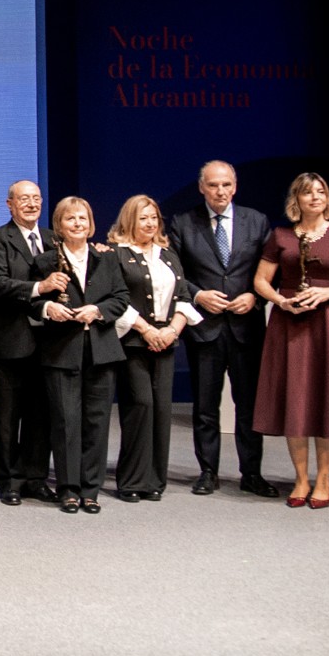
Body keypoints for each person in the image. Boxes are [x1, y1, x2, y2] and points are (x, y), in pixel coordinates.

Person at [250, 172, 329, 509]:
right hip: (290, 323)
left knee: (325, 397)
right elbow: (260, 280)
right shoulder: (281, 236)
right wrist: (280, 300)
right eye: (307, 192)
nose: (315, 197)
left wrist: (328, 292)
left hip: (328, 324)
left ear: (327, 199)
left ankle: (324, 479)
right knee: (296, 400)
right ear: (296, 200)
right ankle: (301, 478)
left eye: (321, 192)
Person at [168, 161, 279, 498]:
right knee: (205, 406)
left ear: (235, 186)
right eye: (213, 185)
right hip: (205, 328)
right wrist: (198, 295)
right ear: (202, 187)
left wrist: (256, 297)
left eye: (226, 185)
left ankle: (252, 474)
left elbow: (272, 271)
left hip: (246, 327)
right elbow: (172, 272)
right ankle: (208, 472)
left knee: (248, 405)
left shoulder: (256, 221)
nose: (220, 191)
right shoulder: (183, 222)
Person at [31, 197, 129, 514]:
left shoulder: (107, 258)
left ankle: (90, 490)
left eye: (82, 218)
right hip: (62, 351)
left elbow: (121, 298)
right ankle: (69, 489)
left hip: (101, 351)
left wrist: (97, 310)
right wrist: (49, 308)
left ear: (91, 224)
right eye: (70, 218)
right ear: (59, 225)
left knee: (96, 422)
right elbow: (32, 301)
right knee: (66, 422)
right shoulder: (46, 261)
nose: (77, 223)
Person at [107, 195, 201, 503]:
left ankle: (154, 480)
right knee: (140, 406)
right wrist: (146, 329)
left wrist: (172, 329)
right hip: (133, 341)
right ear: (129, 221)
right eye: (143, 218)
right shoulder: (117, 254)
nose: (149, 224)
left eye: (153, 218)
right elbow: (114, 299)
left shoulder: (168, 254)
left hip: (166, 340)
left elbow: (183, 296)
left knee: (161, 410)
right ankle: (131, 480)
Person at [0, 180, 56, 506]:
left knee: (41, 413)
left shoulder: (53, 239)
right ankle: (9, 480)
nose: (31, 204)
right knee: (9, 415)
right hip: (11, 339)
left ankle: (35, 478)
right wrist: (39, 288)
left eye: (36, 198)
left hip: (50, 341)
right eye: (24, 199)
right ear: (9, 205)